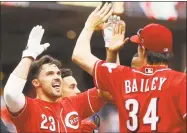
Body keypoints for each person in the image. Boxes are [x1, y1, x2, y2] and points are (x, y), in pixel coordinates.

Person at [72, 3, 186, 132]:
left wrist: (89, 25)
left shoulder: (125, 77)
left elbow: (79, 55)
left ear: (143, 50)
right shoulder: (181, 81)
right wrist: (112, 53)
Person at [3, 25, 106, 132]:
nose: (57, 77)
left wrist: (110, 48)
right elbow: (11, 94)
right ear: (36, 83)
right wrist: (29, 55)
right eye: (50, 74)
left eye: (58, 74)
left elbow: (109, 87)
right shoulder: (30, 108)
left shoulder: (74, 103)